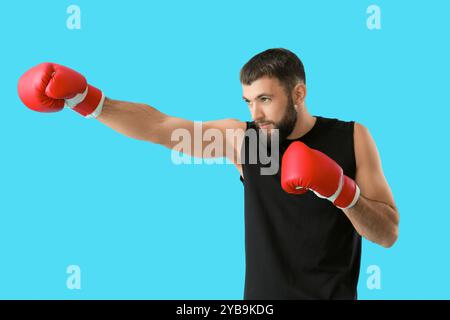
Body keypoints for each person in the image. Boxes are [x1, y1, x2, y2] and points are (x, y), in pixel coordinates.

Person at [17, 48, 399, 299]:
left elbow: (387, 234)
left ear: (298, 94)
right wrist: (89, 100)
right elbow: (161, 126)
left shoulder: (352, 136)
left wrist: (340, 191)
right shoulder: (247, 140)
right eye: (249, 102)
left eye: (265, 99)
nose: (256, 114)